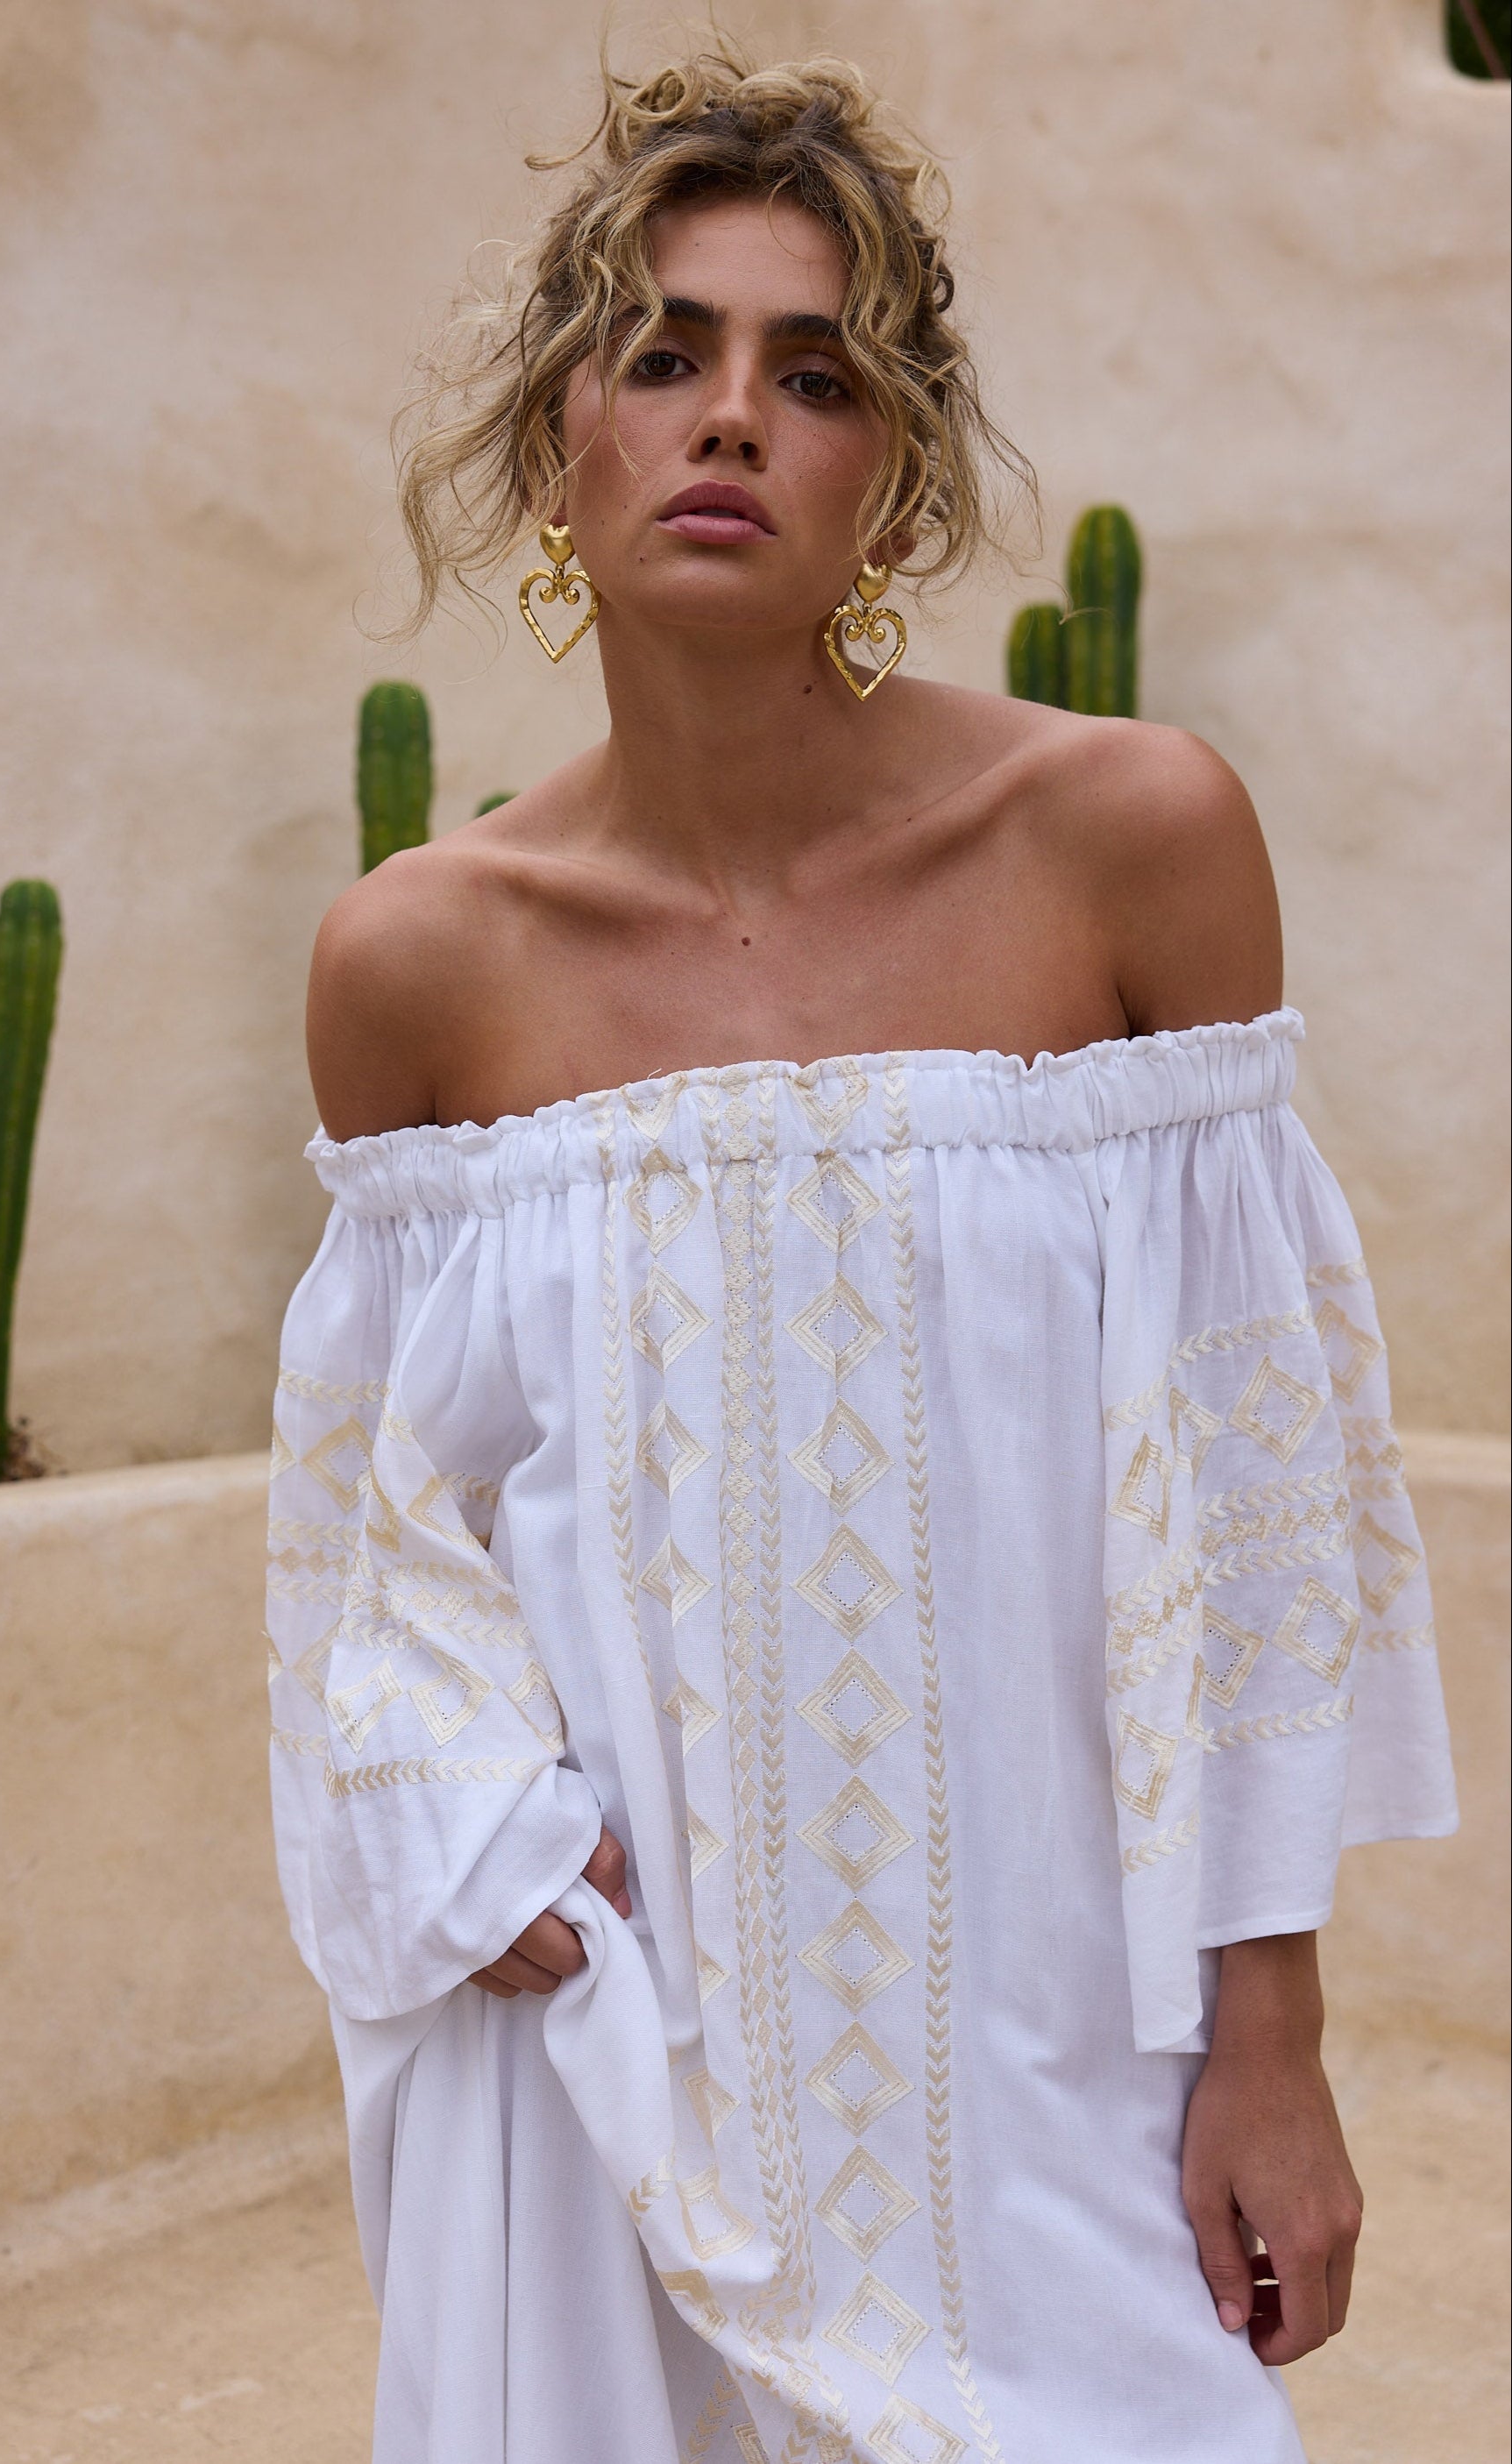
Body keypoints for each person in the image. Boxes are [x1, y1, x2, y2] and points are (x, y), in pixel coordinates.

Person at [266, 48, 1457, 2464]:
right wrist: (450, 1809)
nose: (731, 420)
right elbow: (365, 1530)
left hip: (1043, 2040)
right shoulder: (413, 962)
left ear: (885, 473)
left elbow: (1247, 1515)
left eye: (812, 377)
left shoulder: (1122, 841)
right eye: (663, 352)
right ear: (552, 444)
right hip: (599, 2049)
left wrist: (1269, 2036)